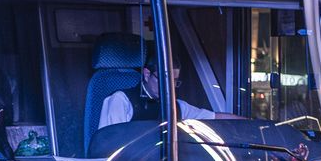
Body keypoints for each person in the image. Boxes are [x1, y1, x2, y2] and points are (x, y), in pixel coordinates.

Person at [98, 51, 238, 128]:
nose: (169, 87)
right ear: (146, 74)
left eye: (174, 81)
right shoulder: (120, 101)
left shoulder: (178, 107)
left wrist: (249, 123)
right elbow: (109, 146)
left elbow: (215, 117)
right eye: (163, 80)